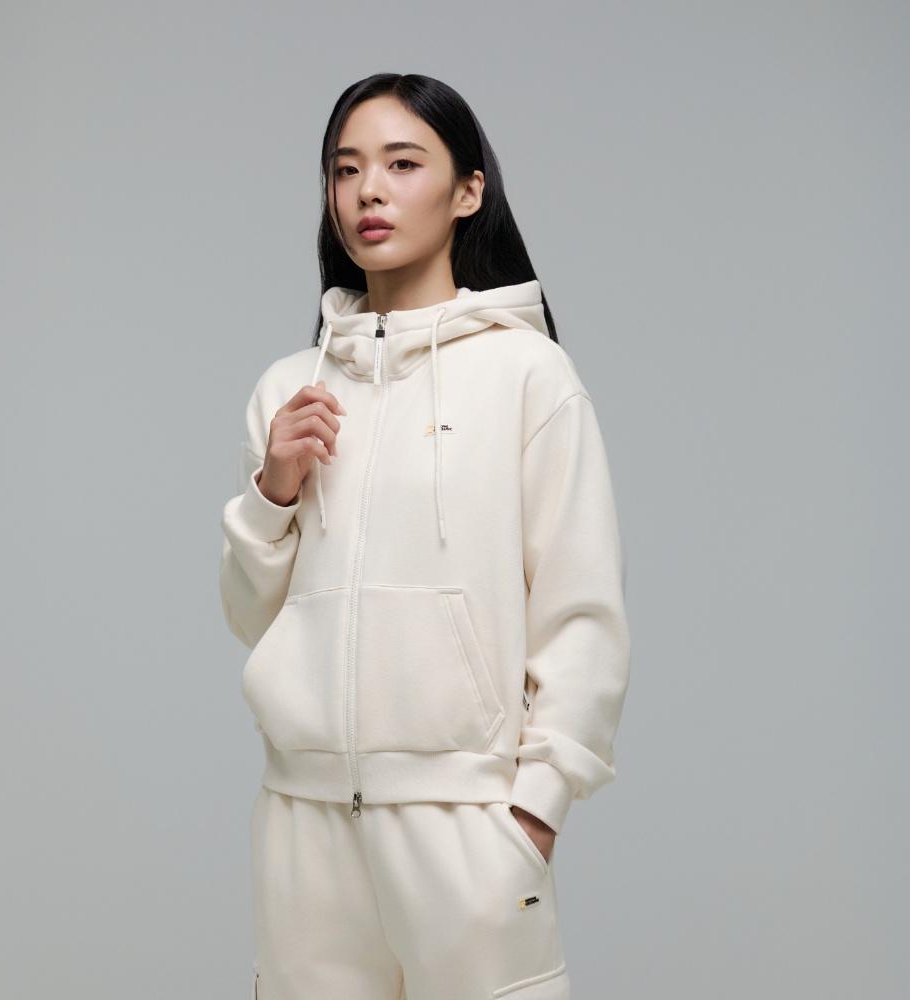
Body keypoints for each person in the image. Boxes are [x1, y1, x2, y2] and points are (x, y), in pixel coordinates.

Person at [219, 73, 631, 1000]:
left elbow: (582, 612)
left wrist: (535, 811)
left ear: (468, 190)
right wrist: (274, 491)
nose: (368, 190)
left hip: (466, 823)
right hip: (303, 824)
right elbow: (252, 618)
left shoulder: (529, 376)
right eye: (346, 169)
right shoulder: (289, 389)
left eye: (403, 164)